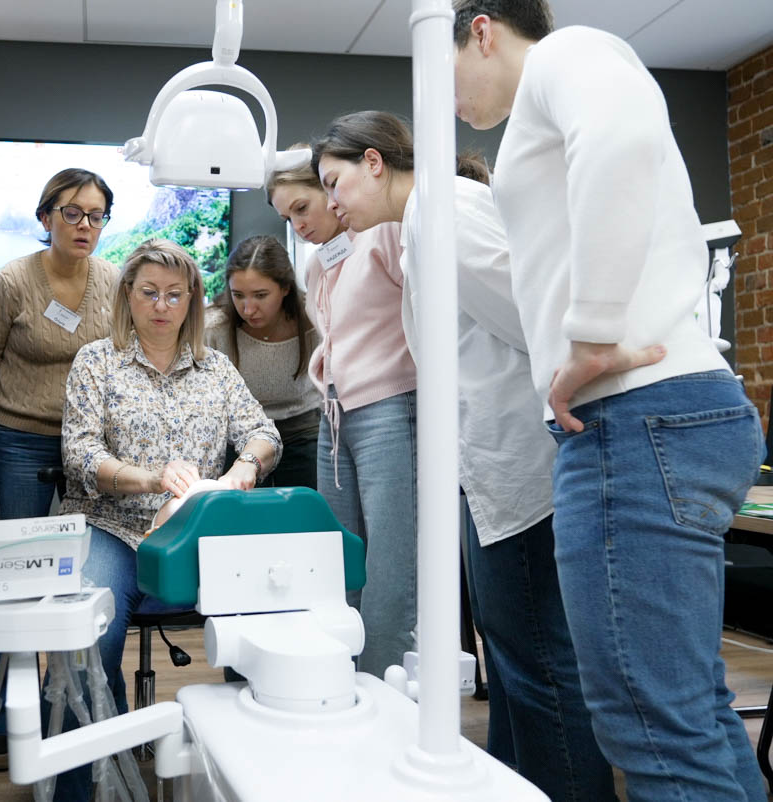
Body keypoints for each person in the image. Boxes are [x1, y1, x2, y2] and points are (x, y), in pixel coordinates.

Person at [451, 3, 766, 800]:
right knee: (685, 712)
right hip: (657, 416)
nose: (445, 96)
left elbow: (619, 138)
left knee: (650, 726)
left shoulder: (566, 55)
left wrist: (590, 336)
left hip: (638, 414)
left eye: (443, 67)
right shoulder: (541, 109)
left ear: (482, 30)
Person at [313, 109, 614, 801]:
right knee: (511, 663)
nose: (330, 203)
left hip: (519, 467)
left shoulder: (443, 209)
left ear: (374, 162)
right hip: (489, 471)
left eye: (333, 183)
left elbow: (534, 316)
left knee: (538, 664)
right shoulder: (423, 222)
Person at [55, 238, 281, 800]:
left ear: (193, 301)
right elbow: (79, 454)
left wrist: (245, 467)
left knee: (263, 623)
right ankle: (78, 787)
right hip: (113, 528)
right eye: (149, 292)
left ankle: (253, 774)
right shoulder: (96, 362)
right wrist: (150, 477)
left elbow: (263, 433)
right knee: (87, 633)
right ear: (127, 296)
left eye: (175, 295)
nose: (162, 305)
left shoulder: (216, 369)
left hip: (198, 535)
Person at [0, 167, 118, 770]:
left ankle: (76, 718)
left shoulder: (113, 280)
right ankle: (2, 722)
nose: (84, 225)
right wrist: (22, 407)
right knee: (18, 581)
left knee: (91, 574)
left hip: (94, 446)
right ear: (46, 216)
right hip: (23, 443)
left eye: (96, 216)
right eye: (72, 213)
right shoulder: (12, 281)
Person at [267, 146, 418, 678]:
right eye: (287, 217)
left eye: (302, 207)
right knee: (338, 563)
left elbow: (426, 317)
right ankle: (341, 684)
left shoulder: (386, 235)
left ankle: (382, 689)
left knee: (390, 569)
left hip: (389, 410)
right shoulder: (318, 263)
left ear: (332, 192)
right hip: (334, 417)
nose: (299, 225)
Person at [206, 236, 320, 489]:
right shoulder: (213, 327)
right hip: (238, 434)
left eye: (260, 295)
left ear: (285, 288)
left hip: (303, 428)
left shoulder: (315, 316)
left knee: (305, 504)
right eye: (238, 295)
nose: (248, 309)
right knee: (237, 503)